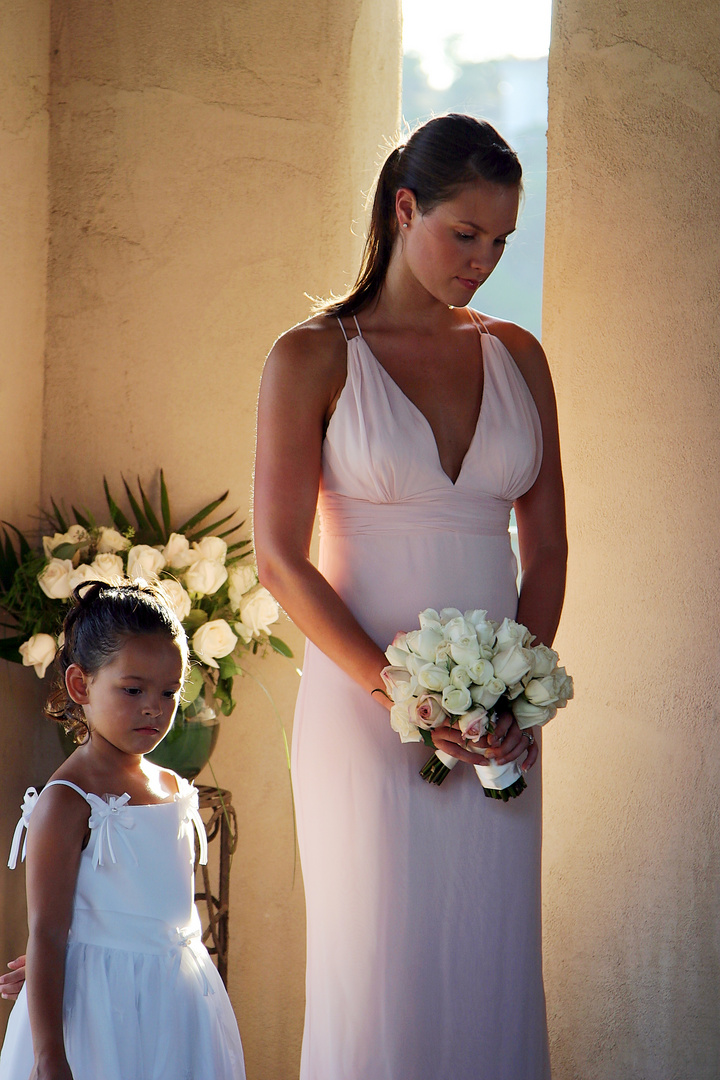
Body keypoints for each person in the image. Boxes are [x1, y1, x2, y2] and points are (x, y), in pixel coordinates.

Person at [253, 114, 567, 1079]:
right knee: (379, 963)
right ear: (405, 208)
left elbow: (546, 545)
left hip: (497, 731)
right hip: (362, 713)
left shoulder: (519, 355)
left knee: (489, 958)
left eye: (502, 240)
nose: (484, 260)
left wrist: (512, 703)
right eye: (464, 234)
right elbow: (279, 557)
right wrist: (401, 694)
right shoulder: (311, 355)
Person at [0, 579, 245, 1080]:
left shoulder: (175, 787)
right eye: (133, 690)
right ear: (79, 685)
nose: (154, 706)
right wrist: (50, 1054)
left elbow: (152, 910)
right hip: (98, 1014)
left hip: (178, 1009)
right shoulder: (67, 801)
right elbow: (47, 931)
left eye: (169, 692)